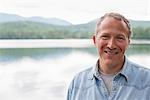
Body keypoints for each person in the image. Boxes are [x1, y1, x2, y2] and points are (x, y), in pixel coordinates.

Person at [67, 12, 150, 100]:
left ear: (128, 43)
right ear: (95, 40)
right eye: (105, 36)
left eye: (119, 38)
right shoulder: (77, 83)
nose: (111, 45)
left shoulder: (147, 80)